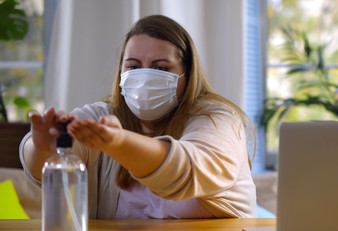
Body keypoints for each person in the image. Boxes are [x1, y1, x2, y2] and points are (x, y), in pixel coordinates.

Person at [19, 14, 257, 219]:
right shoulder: (101, 115)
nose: (144, 77)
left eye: (161, 68)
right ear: (120, 71)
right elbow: (46, 172)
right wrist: (43, 148)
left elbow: (186, 170)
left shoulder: (218, 119)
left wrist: (120, 143)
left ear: (188, 74)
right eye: (133, 66)